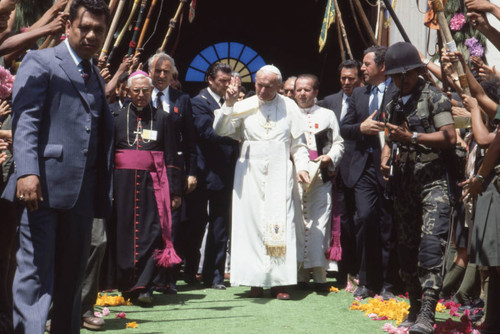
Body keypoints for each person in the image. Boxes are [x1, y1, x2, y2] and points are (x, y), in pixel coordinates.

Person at [1, 0, 113, 332]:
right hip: (41, 190)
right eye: (85, 27)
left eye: (99, 30)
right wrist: (28, 171)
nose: (92, 35)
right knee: (35, 273)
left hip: (82, 195)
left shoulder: (93, 72)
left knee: (72, 276)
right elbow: (26, 121)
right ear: (69, 27)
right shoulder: (41, 61)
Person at [213, 65, 310, 300]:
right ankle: (254, 281)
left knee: (280, 224)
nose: (263, 90)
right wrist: (228, 104)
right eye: (259, 84)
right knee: (251, 224)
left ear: (279, 86)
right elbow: (220, 129)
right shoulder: (245, 104)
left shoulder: (290, 108)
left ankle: (279, 283)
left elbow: (299, 144)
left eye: (268, 86)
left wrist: (303, 167)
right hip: (249, 172)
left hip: (279, 170)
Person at [381, 42, 456, 333]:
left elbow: (449, 137)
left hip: (434, 182)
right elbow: (388, 140)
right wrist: (385, 161)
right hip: (405, 184)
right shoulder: (392, 104)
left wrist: (412, 137)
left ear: (417, 71)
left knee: (429, 250)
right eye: (396, 77)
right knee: (406, 251)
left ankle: (427, 313)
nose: (401, 81)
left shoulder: (434, 97)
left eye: (406, 75)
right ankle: (414, 307)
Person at [109, 71, 183, 304]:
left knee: (152, 232)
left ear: (152, 91)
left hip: (154, 183)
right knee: (123, 231)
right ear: (127, 91)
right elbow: (108, 155)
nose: (141, 95)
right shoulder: (116, 116)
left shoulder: (163, 118)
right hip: (122, 184)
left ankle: (145, 287)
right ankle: (125, 284)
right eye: (136, 91)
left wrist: (175, 190)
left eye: (145, 90)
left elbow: (171, 154)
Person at [340, 45, 398, 300]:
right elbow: (344, 128)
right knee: (365, 219)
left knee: (388, 224)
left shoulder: (398, 89)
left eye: (366, 64)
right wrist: (361, 128)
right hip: (363, 168)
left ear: (382, 67)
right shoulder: (358, 95)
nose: (361, 69)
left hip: (390, 168)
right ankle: (366, 281)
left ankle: (388, 283)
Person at [147, 52, 197, 293]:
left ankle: (167, 278)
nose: (162, 75)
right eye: (157, 71)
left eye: (167, 71)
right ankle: (145, 277)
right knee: (149, 224)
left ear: (173, 74)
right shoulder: (141, 96)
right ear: (149, 72)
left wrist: (192, 172)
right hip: (145, 169)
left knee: (172, 224)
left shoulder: (182, 100)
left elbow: (190, 141)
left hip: (173, 172)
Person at [187, 63, 239, 289]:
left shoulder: (236, 105)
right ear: (210, 80)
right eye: (222, 81)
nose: (227, 86)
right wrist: (236, 139)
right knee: (196, 224)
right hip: (203, 170)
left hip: (226, 172)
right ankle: (190, 271)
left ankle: (215, 275)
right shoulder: (198, 102)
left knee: (221, 225)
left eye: (230, 82)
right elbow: (207, 132)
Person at [294, 74, 344, 290]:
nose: (302, 94)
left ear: (315, 92)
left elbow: (338, 143)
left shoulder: (327, 114)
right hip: (295, 176)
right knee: (298, 223)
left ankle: (320, 275)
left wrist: (329, 158)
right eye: (298, 90)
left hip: (321, 177)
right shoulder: (288, 113)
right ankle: (299, 275)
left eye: (307, 90)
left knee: (319, 225)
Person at [320, 59, 362, 287]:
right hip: (334, 170)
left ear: (359, 79)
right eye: (343, 78)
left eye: (351, 79)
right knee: (341, 222)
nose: (346, 82)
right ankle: (343, 272)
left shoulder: (364, 99)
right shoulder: (329, 102)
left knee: (359, 220)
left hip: (359, 167)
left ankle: (357, 271)